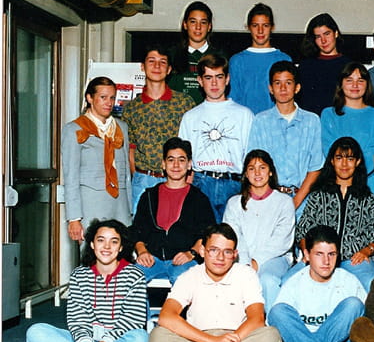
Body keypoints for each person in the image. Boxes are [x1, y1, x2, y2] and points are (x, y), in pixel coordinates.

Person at [149, 223, 282, 342]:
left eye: (227, 252)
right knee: (157, 338)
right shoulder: (189, 276)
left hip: (237, 340)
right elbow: (166, 317)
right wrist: (211, 341)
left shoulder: (246, 274)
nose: (220, 258)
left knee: (271, 337)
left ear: (235, 254)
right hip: (198, 341)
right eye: (214, 250)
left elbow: (257, 319)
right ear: (202, 251)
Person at [26, 219, 148, 342]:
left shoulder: (135, 275)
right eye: (101, 240)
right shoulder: (79, 275)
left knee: (141, 339)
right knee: (35, 332)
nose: (106, 247)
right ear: (92, 244)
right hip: (83, 340)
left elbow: (132, 319)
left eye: (114, 242)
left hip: (117, 341)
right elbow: (77, 319)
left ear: (120, 247)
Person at [268, 225, 366, 342]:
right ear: (307, 254)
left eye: (331, 254)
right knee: (277, 311)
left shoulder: (349, 281)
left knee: (354, 304)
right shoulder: (294, 283)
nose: (326, 261)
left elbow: (366, 324)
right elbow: (280, 324)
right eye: (319, 254)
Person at [293, 137, 374, 291]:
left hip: (354, 260)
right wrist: (306, 252)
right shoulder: (318, 196)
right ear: (331, 161)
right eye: (339, 158)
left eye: (350, 159)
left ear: (357, 162)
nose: (344, 164)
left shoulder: (367, 199)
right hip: (320, 258)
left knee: (371, 283)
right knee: (289, 281)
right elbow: (303, 229)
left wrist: (366, 251)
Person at [178, 53, 254, 220]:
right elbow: (184, 159)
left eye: (219, 77)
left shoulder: (244, 114)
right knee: (202, 233)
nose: (214, 83)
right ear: (200, 80)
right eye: (208, 77)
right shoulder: (190, 117)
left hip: (234, 184)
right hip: (201, 182)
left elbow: (250, 156)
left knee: (233, 233)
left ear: (227, 79)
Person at [131, 138, 215, 287]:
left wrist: (191, 253)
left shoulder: (199, 198)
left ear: (189, 165)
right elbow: (137, 230)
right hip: (152, 259)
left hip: (183, 260)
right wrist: (142, 251)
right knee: (130, 278)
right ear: (163, 164)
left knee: (183, 280)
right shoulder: (148, 196)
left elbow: (207, 234)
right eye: (171, 160)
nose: (176, 165)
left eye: (181, 160)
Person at [122, 45, 195, 214]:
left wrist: (188, 177)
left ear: (169, 69)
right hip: (143, 181)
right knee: (142, 227)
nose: (157, 66)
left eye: (162, 62)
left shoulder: (184, 103)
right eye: (151, 61)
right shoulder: (132, 108)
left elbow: (193, 144)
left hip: (177, 179)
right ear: (142, 66)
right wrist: (139, 175)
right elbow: (130, 149)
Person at [62, 77, 132, 243]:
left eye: (112, 98)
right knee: (92, 255)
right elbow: (71, 177)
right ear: (89, 98)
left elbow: (126, 175)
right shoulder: (74, 129)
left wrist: (129, 210)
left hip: (120, 207)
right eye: (103, 97)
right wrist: (74, 218)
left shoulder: (121, 128)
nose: (109, 103)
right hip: (90, 207)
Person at [223, 149, 295, 308]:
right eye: (251, 168)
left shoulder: (284, 202)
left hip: (275, 258)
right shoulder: (234, 203)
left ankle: (270, 321)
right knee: (235, 279)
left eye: (262, 167)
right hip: (241, 258)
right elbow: (233, 236)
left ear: (270, 172)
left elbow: (282, 240)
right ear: (245, 174)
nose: (257, 173)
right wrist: (246, 262)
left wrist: (257, 261)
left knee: (267, 279)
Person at [249, 60, 325, 212]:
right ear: (271, 89)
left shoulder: (311, 121)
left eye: (288, 83)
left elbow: (315, 167)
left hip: (303, 201)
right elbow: (255, 164)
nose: (283, 88)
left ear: (297, 88)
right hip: (269, 199)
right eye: (277, 83)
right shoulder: (260, 121)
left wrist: (295, 202)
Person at [321, 62, 374, 199]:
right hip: (336, 186)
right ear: (341, 84)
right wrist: (366, 159)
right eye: (349, 80)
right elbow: (330, 152)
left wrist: (346, 161)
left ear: (367, 85)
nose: (355, 85)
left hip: (369, 185)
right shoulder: (329, 115)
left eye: (360, 81)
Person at [228, 3, 291, 114]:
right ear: (248, 27)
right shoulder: (237, 61)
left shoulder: (284, 59)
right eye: (255, 25)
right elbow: (233, 100)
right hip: (245, 121)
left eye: (265, 25)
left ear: (272, 27)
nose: (260, 31)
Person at [168, 1, 224, 106]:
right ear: (185, 24)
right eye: (193, 22)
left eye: (203, 22)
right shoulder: (171, 55)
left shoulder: (220, 57)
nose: (198, 27)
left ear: (209, 26)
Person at [298, 13, 352, 115]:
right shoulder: (306, 66)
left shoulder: (349, 65)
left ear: (336, 33)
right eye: (318, 36)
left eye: (327, 34)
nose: (323, 41)